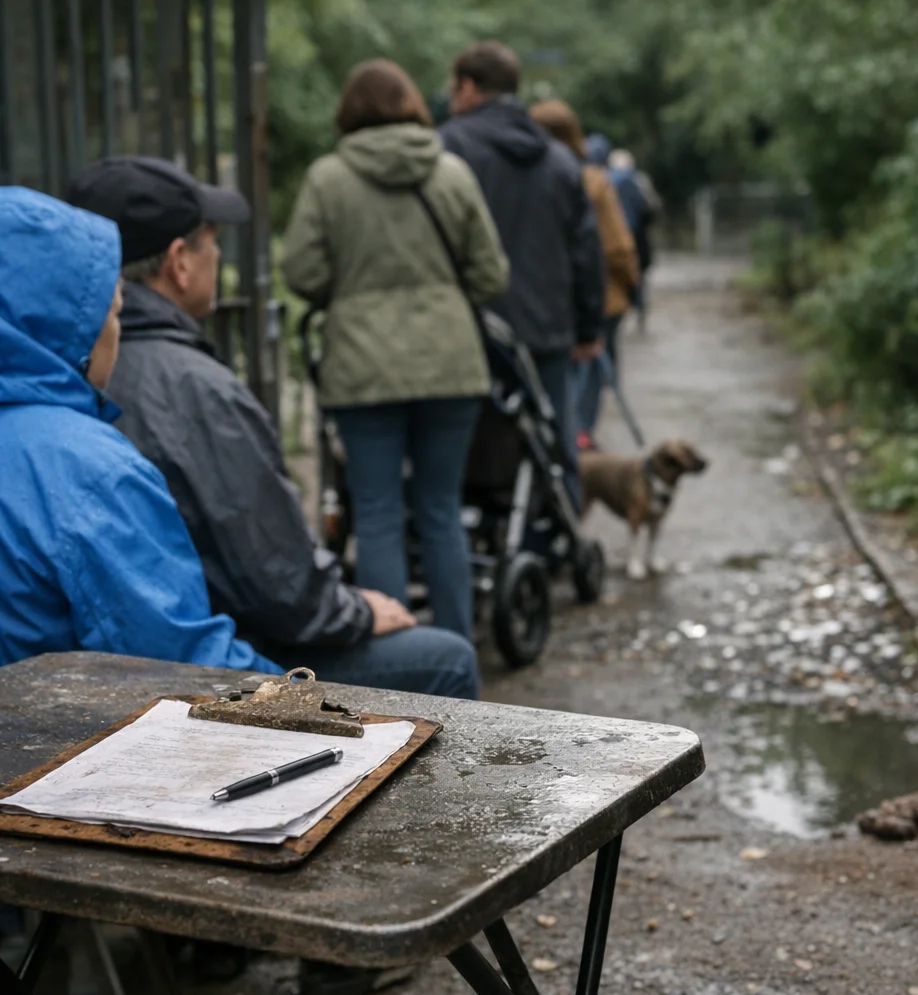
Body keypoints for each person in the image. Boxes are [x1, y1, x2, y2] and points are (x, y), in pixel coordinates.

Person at [68, 155, 479, 701]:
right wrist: (356, 612)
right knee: (448, 655)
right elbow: (280, 583)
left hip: (116, 658)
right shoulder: (198, 389)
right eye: (211, 242)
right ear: (179, 263)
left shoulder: (63, 367)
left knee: (378, 510)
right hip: (214, 662)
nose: (218, 255)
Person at [0, 186, 277, 676]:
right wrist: (319, 704)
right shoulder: (85, 469)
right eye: (113, 312)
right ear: (67, 330)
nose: (116, 333)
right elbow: (179, 668)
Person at [282, 60, 509, 642]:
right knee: (441, 511)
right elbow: (491, 274)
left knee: (378, 513)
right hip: (450, 363)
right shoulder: (452, 173)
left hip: (362, 367)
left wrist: (354, 293)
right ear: (412, 103)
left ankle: (398, 663)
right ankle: (457, 647)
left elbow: (303, 271)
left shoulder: (328, 178)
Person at [439, 41, 605, 506]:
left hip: (469, 328)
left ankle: (480, 540)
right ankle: (556, 539)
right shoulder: (559, 160)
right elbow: (585, 252)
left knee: (465, 445)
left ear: (469, 88)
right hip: (546, 326)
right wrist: (589, 327)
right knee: (555, 437)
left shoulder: (447, 150)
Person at [530, 100, 639, 448]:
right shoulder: (594, 181)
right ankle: (580, 443)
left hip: (541, 299)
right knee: (588, 378)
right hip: (600, 296)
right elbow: (617, 246)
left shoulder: (527, 177)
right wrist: (631, 283)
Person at [587, 136, 660, 332]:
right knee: (637, 276)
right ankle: (638, 308)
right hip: (635, 238)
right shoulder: (638, 180)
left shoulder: (600, 180)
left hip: (606, 241)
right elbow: (651, 208)